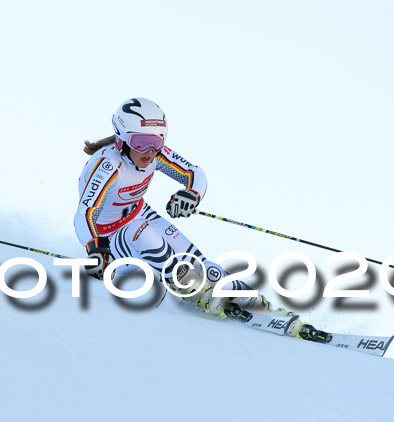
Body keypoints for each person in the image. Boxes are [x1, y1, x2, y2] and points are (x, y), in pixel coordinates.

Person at [74, 97, 327, 342]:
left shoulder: (154, 154)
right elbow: (84, 213)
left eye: (157, 141)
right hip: (110, 234)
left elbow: (194, 172)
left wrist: (191, 193)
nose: (149, 151)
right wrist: (95, 247)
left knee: (206, 266)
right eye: (140, 142)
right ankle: (198, 293)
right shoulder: (108, 165)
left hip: (139, 213)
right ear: (122, 139)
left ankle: (261, 307)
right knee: (146, 236)